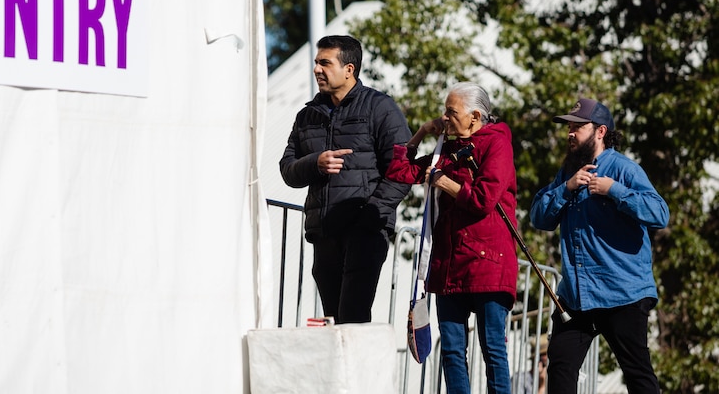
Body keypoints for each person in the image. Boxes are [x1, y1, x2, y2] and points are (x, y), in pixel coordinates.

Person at [530, 98, 669, 394]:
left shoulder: (624, 169)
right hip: (576, 297)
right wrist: (566, 188)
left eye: (578, 126)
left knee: (638, 375)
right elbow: (538, 217)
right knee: (560, 367)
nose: (570, 132)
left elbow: (660, 213)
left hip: (623, 293)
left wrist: (614, 190)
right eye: (569, 126)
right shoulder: (567, 172)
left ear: (600, 131)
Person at [386, 82, 517, 394]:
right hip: (450, 264)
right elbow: (399, 171)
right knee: (452, 352)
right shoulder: (448, 149)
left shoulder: (496, 144)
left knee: (493, 349)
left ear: (474, 116)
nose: (444, 118)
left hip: (488, 262)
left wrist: (443, 183)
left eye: (450, 112)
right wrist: (420, 133)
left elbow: (484, 199)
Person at [279, 35, 412, 324]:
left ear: (349, 69)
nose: (317, 69)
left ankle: (362, 372)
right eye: (316, 63)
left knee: (353, 321)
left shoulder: (381, 108)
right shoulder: (307, 116)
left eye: (325, 63)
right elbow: (287, 170)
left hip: (364, 234)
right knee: (332, 324)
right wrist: (316, 163)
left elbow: (402, 172)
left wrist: (368, 217)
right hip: (324, 234)